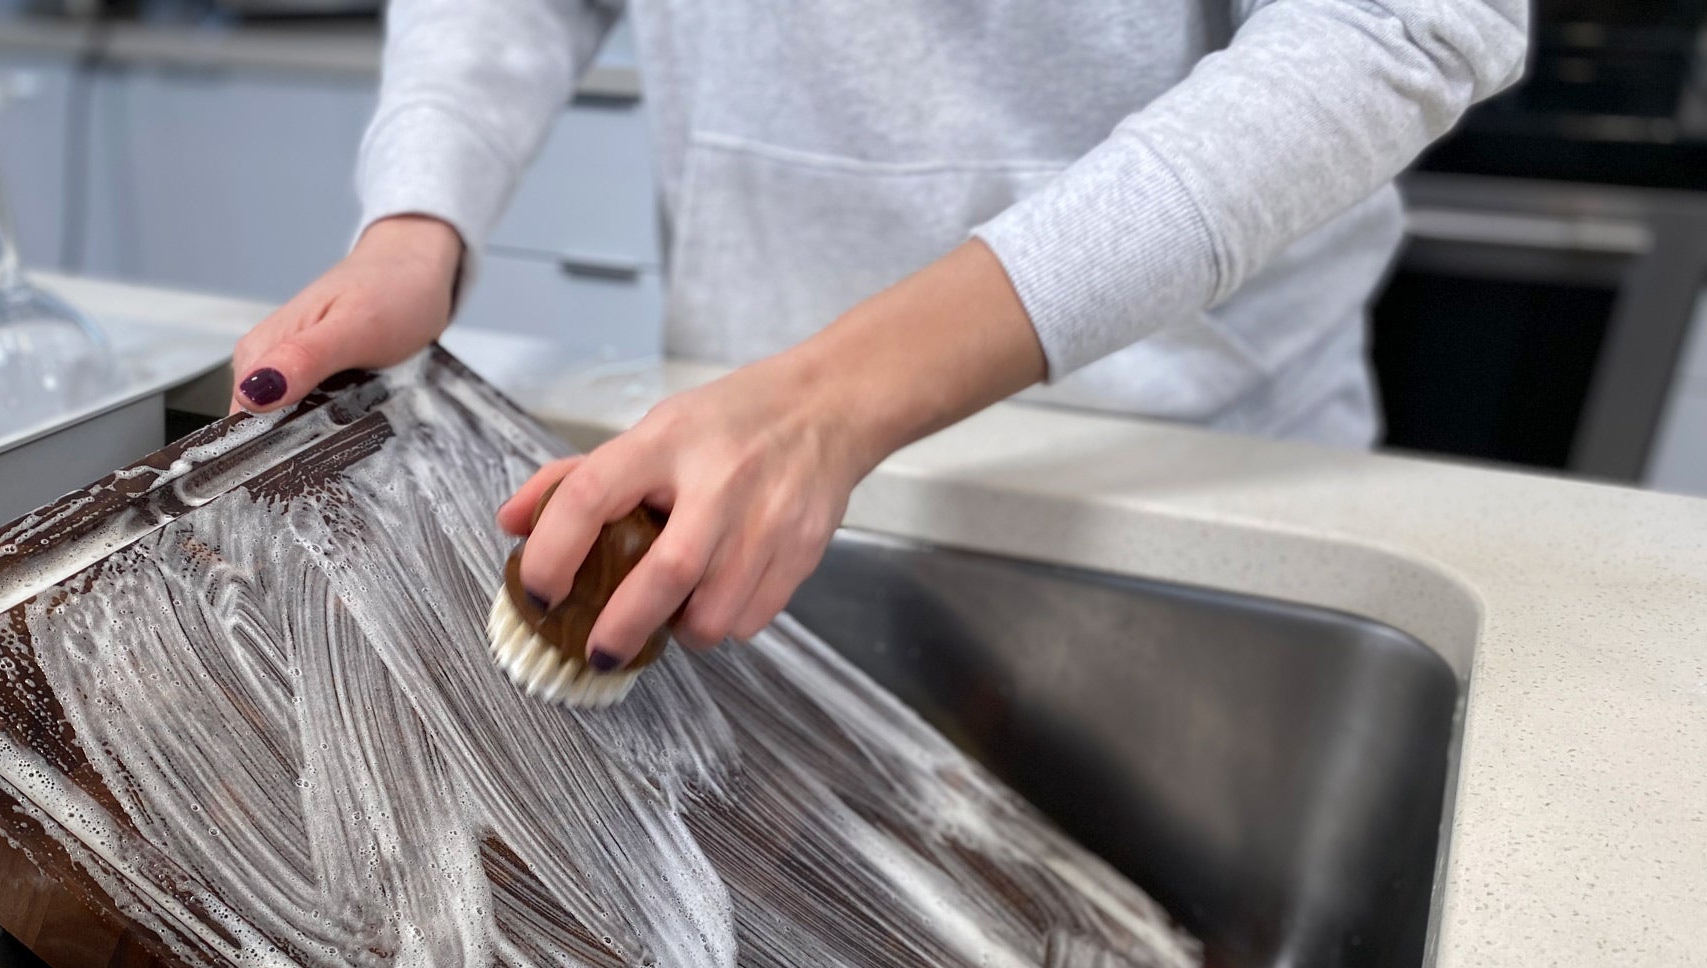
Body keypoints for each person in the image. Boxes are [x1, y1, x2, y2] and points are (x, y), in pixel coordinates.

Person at [231, 1, 1524, 674]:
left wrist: (833, 399)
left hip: (1171, 472)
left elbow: (1393, 20)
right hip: (744, 459)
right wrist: (417, 220)